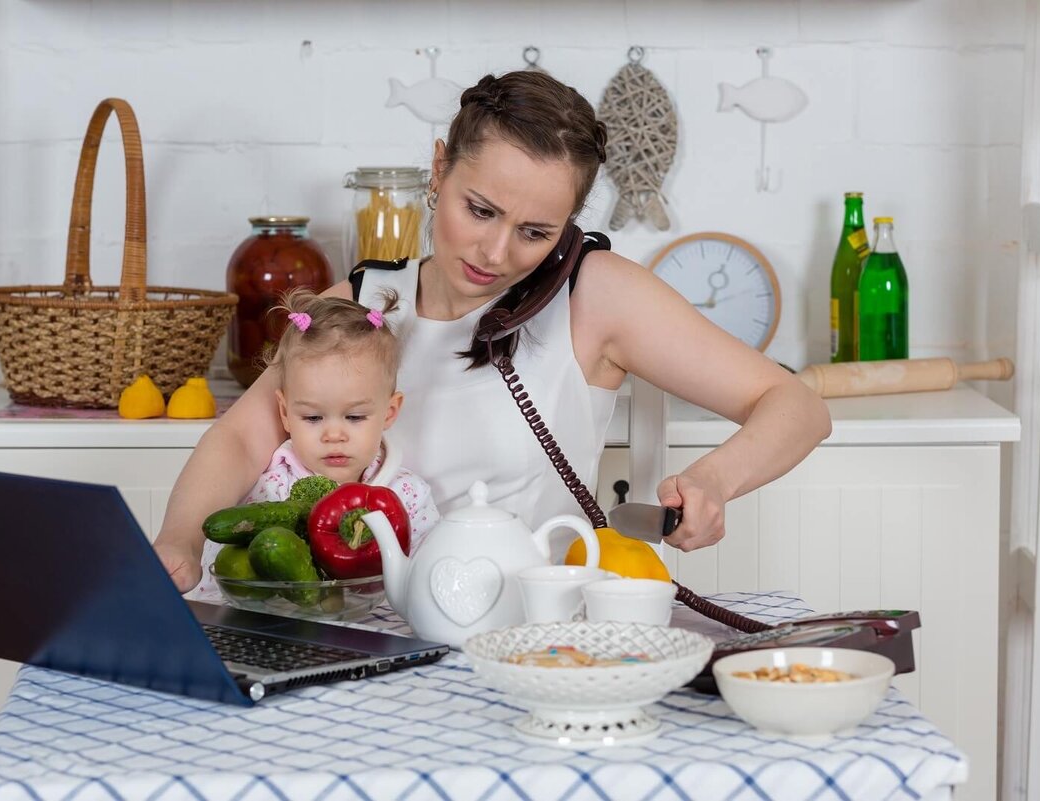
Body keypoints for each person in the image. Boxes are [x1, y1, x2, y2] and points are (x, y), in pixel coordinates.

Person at [155, 70, 831, 594]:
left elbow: (796, 405)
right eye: (479, 210)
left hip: (523, 639)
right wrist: (180, 541)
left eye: (536, 232)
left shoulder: (593, 294)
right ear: (440, 169)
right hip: (366, 628)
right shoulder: (365, 301)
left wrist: (715, 478)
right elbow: (244, 433)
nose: (496, 253)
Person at [188, 289, 439, 601]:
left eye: (355, 416)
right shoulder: (269, 490)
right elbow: (222, 580)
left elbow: (431, 577)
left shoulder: (409, 496)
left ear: (390, 412)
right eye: (313, 417)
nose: (333, 435)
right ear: (285, 413)